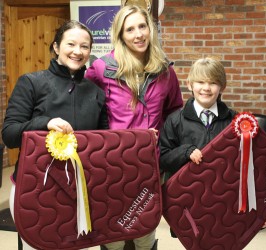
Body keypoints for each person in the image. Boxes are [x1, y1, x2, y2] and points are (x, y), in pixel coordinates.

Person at [1, 20, 108, 250]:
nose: (78, 52)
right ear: (57, 47)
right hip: (33, 188)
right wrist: (45, 123)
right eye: (71, 44)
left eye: (85, 46)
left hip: (80, 194)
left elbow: (103, 143)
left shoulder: (97, 93)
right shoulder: (31, 83)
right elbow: (9, 134)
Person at [85, 5, 183, 250]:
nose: (138, 34)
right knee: (113, 235)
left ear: (150, 29)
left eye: (142, 26)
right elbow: (87, 106)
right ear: (120, 35)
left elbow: (173, 112)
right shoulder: (101, 68)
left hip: (151, 164)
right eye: (130, 29)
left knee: (144, 230)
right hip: (113, 164)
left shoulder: (165, 70)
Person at [159, 57, 266, 237]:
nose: (206, 87)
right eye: (200, 82)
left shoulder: (235, 121)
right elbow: (162, 158)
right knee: (195, 241)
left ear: (222, 87)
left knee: (223, 239)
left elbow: (254, 168)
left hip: (225, 202)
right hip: (190, 202)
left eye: (213, 83)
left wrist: (262, 212)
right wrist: (185, 151)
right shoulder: (175, 120)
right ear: (189, 84)